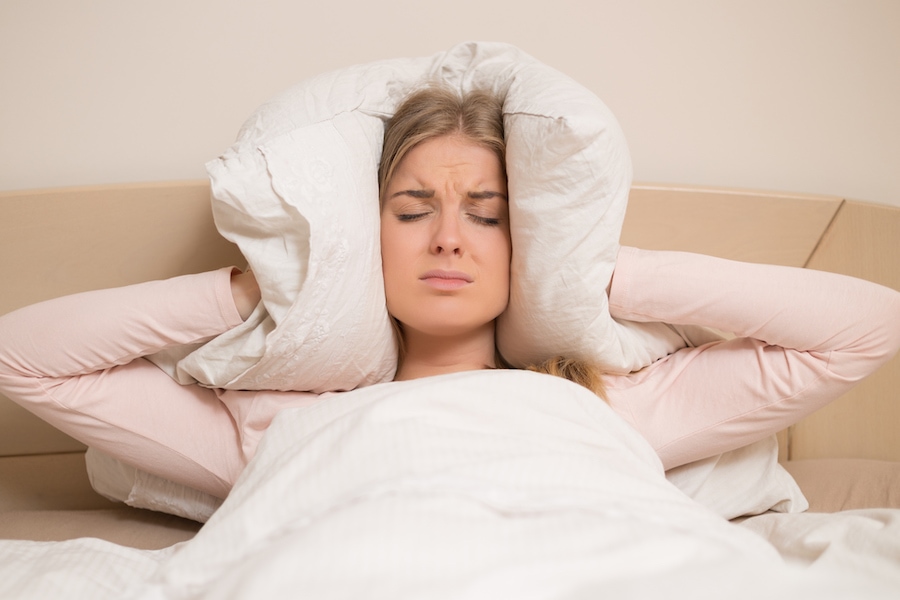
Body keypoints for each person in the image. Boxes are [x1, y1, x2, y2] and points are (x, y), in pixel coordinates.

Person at [1, 86, 899, 501]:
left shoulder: (609, 401)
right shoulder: (270, 421)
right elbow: (24, 360)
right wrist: (261, 292)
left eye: (489, 214)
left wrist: (594, 273)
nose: (446, 239)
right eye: (411, 208)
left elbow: (865, 327)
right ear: (366, 237)